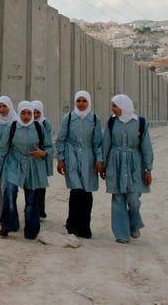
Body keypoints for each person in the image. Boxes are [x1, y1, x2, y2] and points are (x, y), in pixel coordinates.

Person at [0, 100, 51, 239]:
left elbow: (48, 147)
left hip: (33, 165)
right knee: (9, 191)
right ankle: (8, 224)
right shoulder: (12, 127)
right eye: (23, 113)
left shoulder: (38, 127)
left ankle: (31, 229)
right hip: (14, 162)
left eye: (29, 113)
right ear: (19, 113)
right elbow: (2, 148)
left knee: (32, 200)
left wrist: (43, 153)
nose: (26, 116)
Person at [101, 94, 154, 243]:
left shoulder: (140, 123)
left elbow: (146, 147)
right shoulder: (111, 122)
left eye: (115, 106)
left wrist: (148, 169)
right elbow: (106, 144)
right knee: (118, 197)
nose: (112, 109)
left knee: (134, 198)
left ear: (124, 106)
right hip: (115, 162)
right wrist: (103, 165)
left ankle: (134, 224)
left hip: (134, 164)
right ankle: (121, 234)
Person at [55, 90, 104, 238]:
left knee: (87, 193)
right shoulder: (69, 118)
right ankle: (72, 225)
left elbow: (98, 142)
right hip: (72, 156)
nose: (81, 104)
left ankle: (84, 227)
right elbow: (61, 139)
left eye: (84, 101)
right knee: (76, 191)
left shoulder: (94, 119)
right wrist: (61, 158)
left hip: (88, 157)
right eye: (78, 101)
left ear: (89, 102)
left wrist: (99, 160)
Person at [31, 100, 54, 219]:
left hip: (42, 157)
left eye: (38, 113)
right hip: (31, 157)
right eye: (33, 112)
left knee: (41, 183)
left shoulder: (45, 124)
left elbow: (48, 141)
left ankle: (40, 210)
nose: (35, 115)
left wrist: (43, 152)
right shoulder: (27, 123)